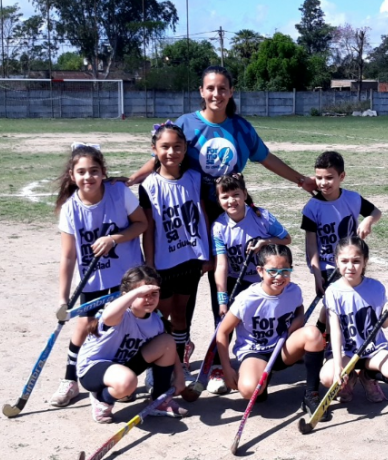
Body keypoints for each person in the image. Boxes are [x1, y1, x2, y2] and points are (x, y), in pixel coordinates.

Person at [126, 66, 318, 368]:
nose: (216, 94)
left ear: (231, 92)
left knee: (225, 286)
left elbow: (265, 157)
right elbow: (161, 155)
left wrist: (300, 179)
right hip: (189, 220)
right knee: (180, 292)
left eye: (222, 88)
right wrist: (132, 179)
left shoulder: (240, 128)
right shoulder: (187, 124)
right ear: (201, 92)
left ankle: (218, 359)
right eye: (210, 88)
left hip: (229, 215)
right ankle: (178, 348)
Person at [50, 144, 148, 407]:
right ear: (72, 176)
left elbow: (142, 223)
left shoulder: (118, 192)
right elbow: (68, 257)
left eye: (94, 171)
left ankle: (139, 374)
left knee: (134, 324)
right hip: (94, 281)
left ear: (104, 172)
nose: (88, 177)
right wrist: (63, 299)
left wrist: (114, 239)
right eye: (81, 172)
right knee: (85, 326)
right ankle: (70, 380)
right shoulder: (70, 208)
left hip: (127, 280)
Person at [215, 244, 332, 421]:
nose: (279, 277)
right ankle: (261, 377)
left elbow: (298, 308)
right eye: (273, 271)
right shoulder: (246, 299)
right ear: (260, 271)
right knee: (248, 390)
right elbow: (222, 332)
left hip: (283, 348)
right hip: (256, 352)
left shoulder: (293, 290)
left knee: (313, 334)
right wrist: (226, 367)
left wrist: (299, 318)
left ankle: (311, 395)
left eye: (285, 271)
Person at [207, 173, 292, 394]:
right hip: (238, 279)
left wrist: (266, 242)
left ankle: (279, 352)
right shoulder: (218, 227)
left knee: (271, 317)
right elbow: (221, 264)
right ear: (218, 200)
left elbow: (286, 239)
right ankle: (218, 367)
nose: (231, 201)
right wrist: (222, 299)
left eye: (236, 195)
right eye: (225, 197)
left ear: (245, 194)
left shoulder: (262, 216)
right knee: (224, 322)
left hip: (265, 280)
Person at [139, 122, 210, 384]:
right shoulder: (149, 185)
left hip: (190, 259)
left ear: (185, 149)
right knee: (161, 317)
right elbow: (148, 228)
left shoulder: (195, 178)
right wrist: (149, 263)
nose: (171, 152)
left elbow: (203, 215)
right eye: (165, 147)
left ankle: (180, 360)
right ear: (154, 150)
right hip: (163, 263)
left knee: (181, 314)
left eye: (177, 146)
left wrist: (208, 254)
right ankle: (155, 364)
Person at [76, 266, 188, 422]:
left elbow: (171, 350)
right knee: (127, 382)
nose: (149, 299)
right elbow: (109, 316)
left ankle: (159, 400)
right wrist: (135, 292)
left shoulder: (155, 321)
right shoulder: (119, 314)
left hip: (123, 366)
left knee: (167, 341)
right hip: (93, 368)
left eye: (154, 294)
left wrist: (179, 376)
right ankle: (102, 399)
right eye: (143, 295)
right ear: (126, 296)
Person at [302, 150, 382, 333]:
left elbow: (376, 212)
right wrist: (316, 273)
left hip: (351, 260)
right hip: (327, 265)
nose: (323, 183)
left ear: (342, 176)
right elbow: (311, 245)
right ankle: (331, 341)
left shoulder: (353, 198)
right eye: (319, 178)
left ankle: (323, 333)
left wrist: (368, 220)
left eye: (329, 178)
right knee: (336, 302)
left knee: (337, 300)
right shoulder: (312, 208)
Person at [320, 237, 388, 403]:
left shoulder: (376, 287)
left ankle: (367, 376)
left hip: (373, 350)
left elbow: (385, 325)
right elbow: (335, 330)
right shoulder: (333, 291)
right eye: (344, 261)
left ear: (365, 262)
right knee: (327, 378)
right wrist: (339, 366)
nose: (350, 266)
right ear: (336, 262)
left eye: (356, 261)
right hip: (345, 352)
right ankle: (350, 376)